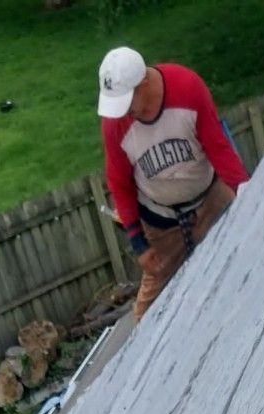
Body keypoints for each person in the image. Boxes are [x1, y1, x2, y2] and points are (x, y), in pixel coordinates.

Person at [98, 47, 248, 323]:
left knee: (246, 253)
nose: (122, 112)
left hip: (211, 198)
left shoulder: (187, 89)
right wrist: (138, 244)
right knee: (146, 315)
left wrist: (249, 196)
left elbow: (218, 148)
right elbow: (119, 183)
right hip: (162, 222)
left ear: (143, 84)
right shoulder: (114, 126)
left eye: (126, 102)